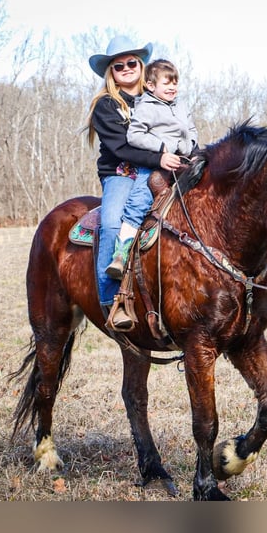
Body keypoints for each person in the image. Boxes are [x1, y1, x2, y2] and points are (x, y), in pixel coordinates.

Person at [84, 36, 184, 331]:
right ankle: (110, 299)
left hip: (161, 167)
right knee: (113, 220)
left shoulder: (156, 97)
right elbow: (121, 148)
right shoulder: (106, 105)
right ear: (111, 72)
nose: (126, 68)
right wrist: (161, 157)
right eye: (119, 65)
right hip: (122, 171)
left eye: (132, 63)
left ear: (142, 67)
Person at [103, 59, 199, 280]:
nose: (172, 87)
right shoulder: (146, 106)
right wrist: (162, 149)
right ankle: (121, 253)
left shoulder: (181, 105)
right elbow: (134, 136)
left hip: (183, 161)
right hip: (154, 163)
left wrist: (191, 146)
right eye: (167, 83)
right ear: (151, 86)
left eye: (175, 82)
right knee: (139, 201)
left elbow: (191, 129)